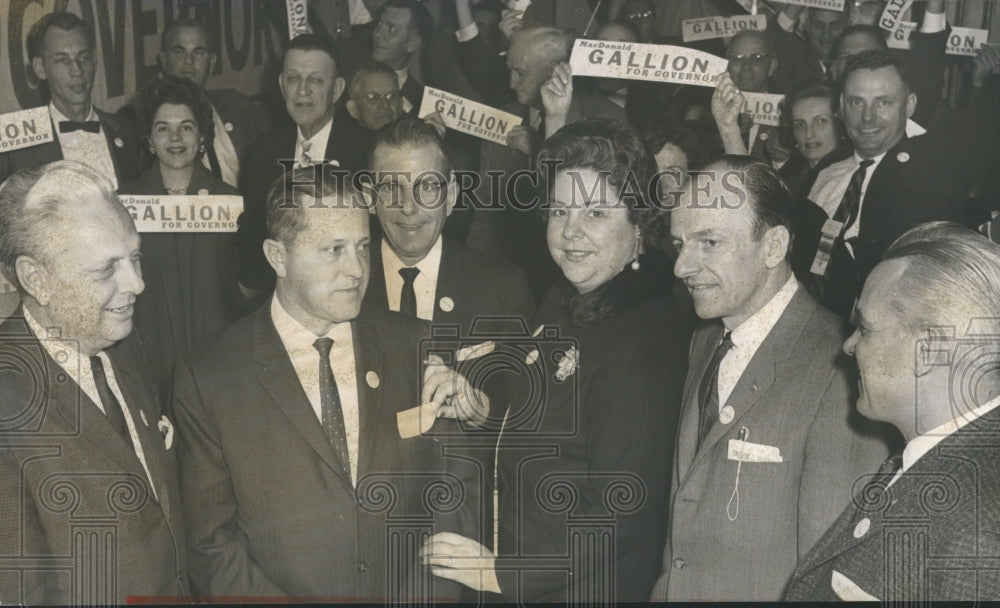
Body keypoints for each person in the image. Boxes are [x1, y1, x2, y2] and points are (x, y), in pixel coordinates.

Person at [173, 167, 485, 600]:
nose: (356, 270)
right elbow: (212, 545)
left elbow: (454, 495)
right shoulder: (209, 377)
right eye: (333, 250)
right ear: (277, 256)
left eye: (361, 247)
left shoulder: (414, 346)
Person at [422, 118, 691, 603]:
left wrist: (501, 572)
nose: (570, 233)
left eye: (595, 214)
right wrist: (482, 406)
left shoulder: (642, 331)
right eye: (559, 211)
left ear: (639, 222)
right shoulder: (567, 296)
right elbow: (553, 419)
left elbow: (620, 509)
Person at [651, 155, 889, 601]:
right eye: (680, 242)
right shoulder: (705, 340)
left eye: (709, 242)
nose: (682, 265)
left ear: (774, 247)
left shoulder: (840, 367)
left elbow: (831, 576)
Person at [0, 161, 188, 604]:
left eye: (135, 257)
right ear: (37, 280)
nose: (137, 284)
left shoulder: (122, 339)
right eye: (106, 270)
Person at [785, 222, 1000, 602]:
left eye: (865, 329)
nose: (848, 346)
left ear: (930, 348)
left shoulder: (978, 531)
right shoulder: (934, 460)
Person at [797, 50, 1000, 319]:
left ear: (910, 105)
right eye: (858, 102)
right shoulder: (826, 167)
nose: (867, 117)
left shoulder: (934, 167)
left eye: (883, 103)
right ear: (842, 105)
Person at [118, 76, 242, 401]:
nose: (175, 137)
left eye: (186, 127)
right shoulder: (123, 204)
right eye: (163, 128)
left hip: (218, 365)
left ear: (201, 135)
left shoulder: (231, 203)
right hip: (149, 366)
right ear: (148, 138)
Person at [363, 118, 533, 328]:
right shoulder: (341, 282)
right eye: (391, 188)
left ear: (451, 195)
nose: (408, 207)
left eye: (426, 187)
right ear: (370, 198)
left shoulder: (503, 287)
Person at [237, 33, 365, 304]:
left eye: (316, 80)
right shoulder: (262, 152)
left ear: (337, 89)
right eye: (294, 79)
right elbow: (252, 238)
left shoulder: (366, 152)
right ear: (282, 85)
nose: (302, 90)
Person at [0, 12, 141, 187]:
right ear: (40, 68)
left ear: (95, 61)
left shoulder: (126, 130)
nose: (77, 70)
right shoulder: (14, 136)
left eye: (83, 57)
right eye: (62, 60)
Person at [156, 18, 264, 187]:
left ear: (211, 62)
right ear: (163, 60)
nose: (188, 61)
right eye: (178, 51)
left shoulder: (237, 108)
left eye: (198, 52)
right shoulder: (141, 119)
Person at [371, 0, 435, 114]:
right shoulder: (349, 75)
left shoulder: (420, 104)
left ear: (412, 43)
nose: (378, 34)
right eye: (379, 24)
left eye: (392, 29)